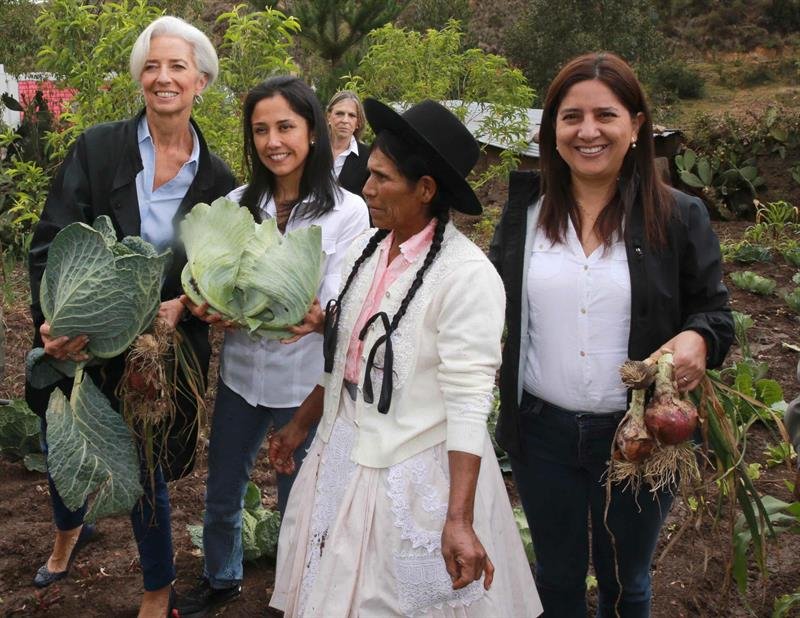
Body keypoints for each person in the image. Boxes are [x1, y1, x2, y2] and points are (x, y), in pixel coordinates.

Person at [267, 98, 542, 617]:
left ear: (426, 190)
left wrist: (457, 519)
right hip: (344, 450)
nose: (365, 188)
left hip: (416, 473)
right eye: (368, 173)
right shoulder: (365, 252)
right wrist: (302, 424)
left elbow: (467, 403)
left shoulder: (467, 277)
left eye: (381, 178)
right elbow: (349, 358)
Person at [489, 52, 734, 618]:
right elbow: (487, 306)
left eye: (606, 115)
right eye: (571, 116)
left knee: (628, 585)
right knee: (556, 580)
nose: (588, 131)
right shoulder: (525, 215)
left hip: (638, 441)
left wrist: (699, 339)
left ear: (637, 125)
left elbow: (715, 315)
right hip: (541, 433)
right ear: (553, 129)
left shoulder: (677, 216)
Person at [25, 15, 236, 618]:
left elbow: (215, 282)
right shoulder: (98, 148)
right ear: (139, 79)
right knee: (57, 429)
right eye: (151, 66)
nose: (163, 77)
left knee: (146, 469)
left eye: (177, 67)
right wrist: (51, 318)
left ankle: (156, 587)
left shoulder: (218, 181)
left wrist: (185, 308)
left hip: (157, 353)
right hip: (81, 338)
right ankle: (69, 532)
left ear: (201, 82)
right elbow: (50, 240)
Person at [175, 76, 369, 618]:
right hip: (241, 373)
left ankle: (298, 595)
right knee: (222, 489)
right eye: (260, 130)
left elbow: (340, 295)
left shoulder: (348, 211)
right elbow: (211, 274)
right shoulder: (237, 203)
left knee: (299, 499)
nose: (273, 141)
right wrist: (205, 302)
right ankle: (221, 579)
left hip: (304, 381)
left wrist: (319, 313)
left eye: (285, 126)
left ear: (312, 130)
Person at [326, 90, 369, 197]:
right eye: (339, 113)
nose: (345, 120)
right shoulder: (312, 151)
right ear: (328, 116)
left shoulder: (369, 157)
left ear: (358, 122)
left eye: (351, 115)